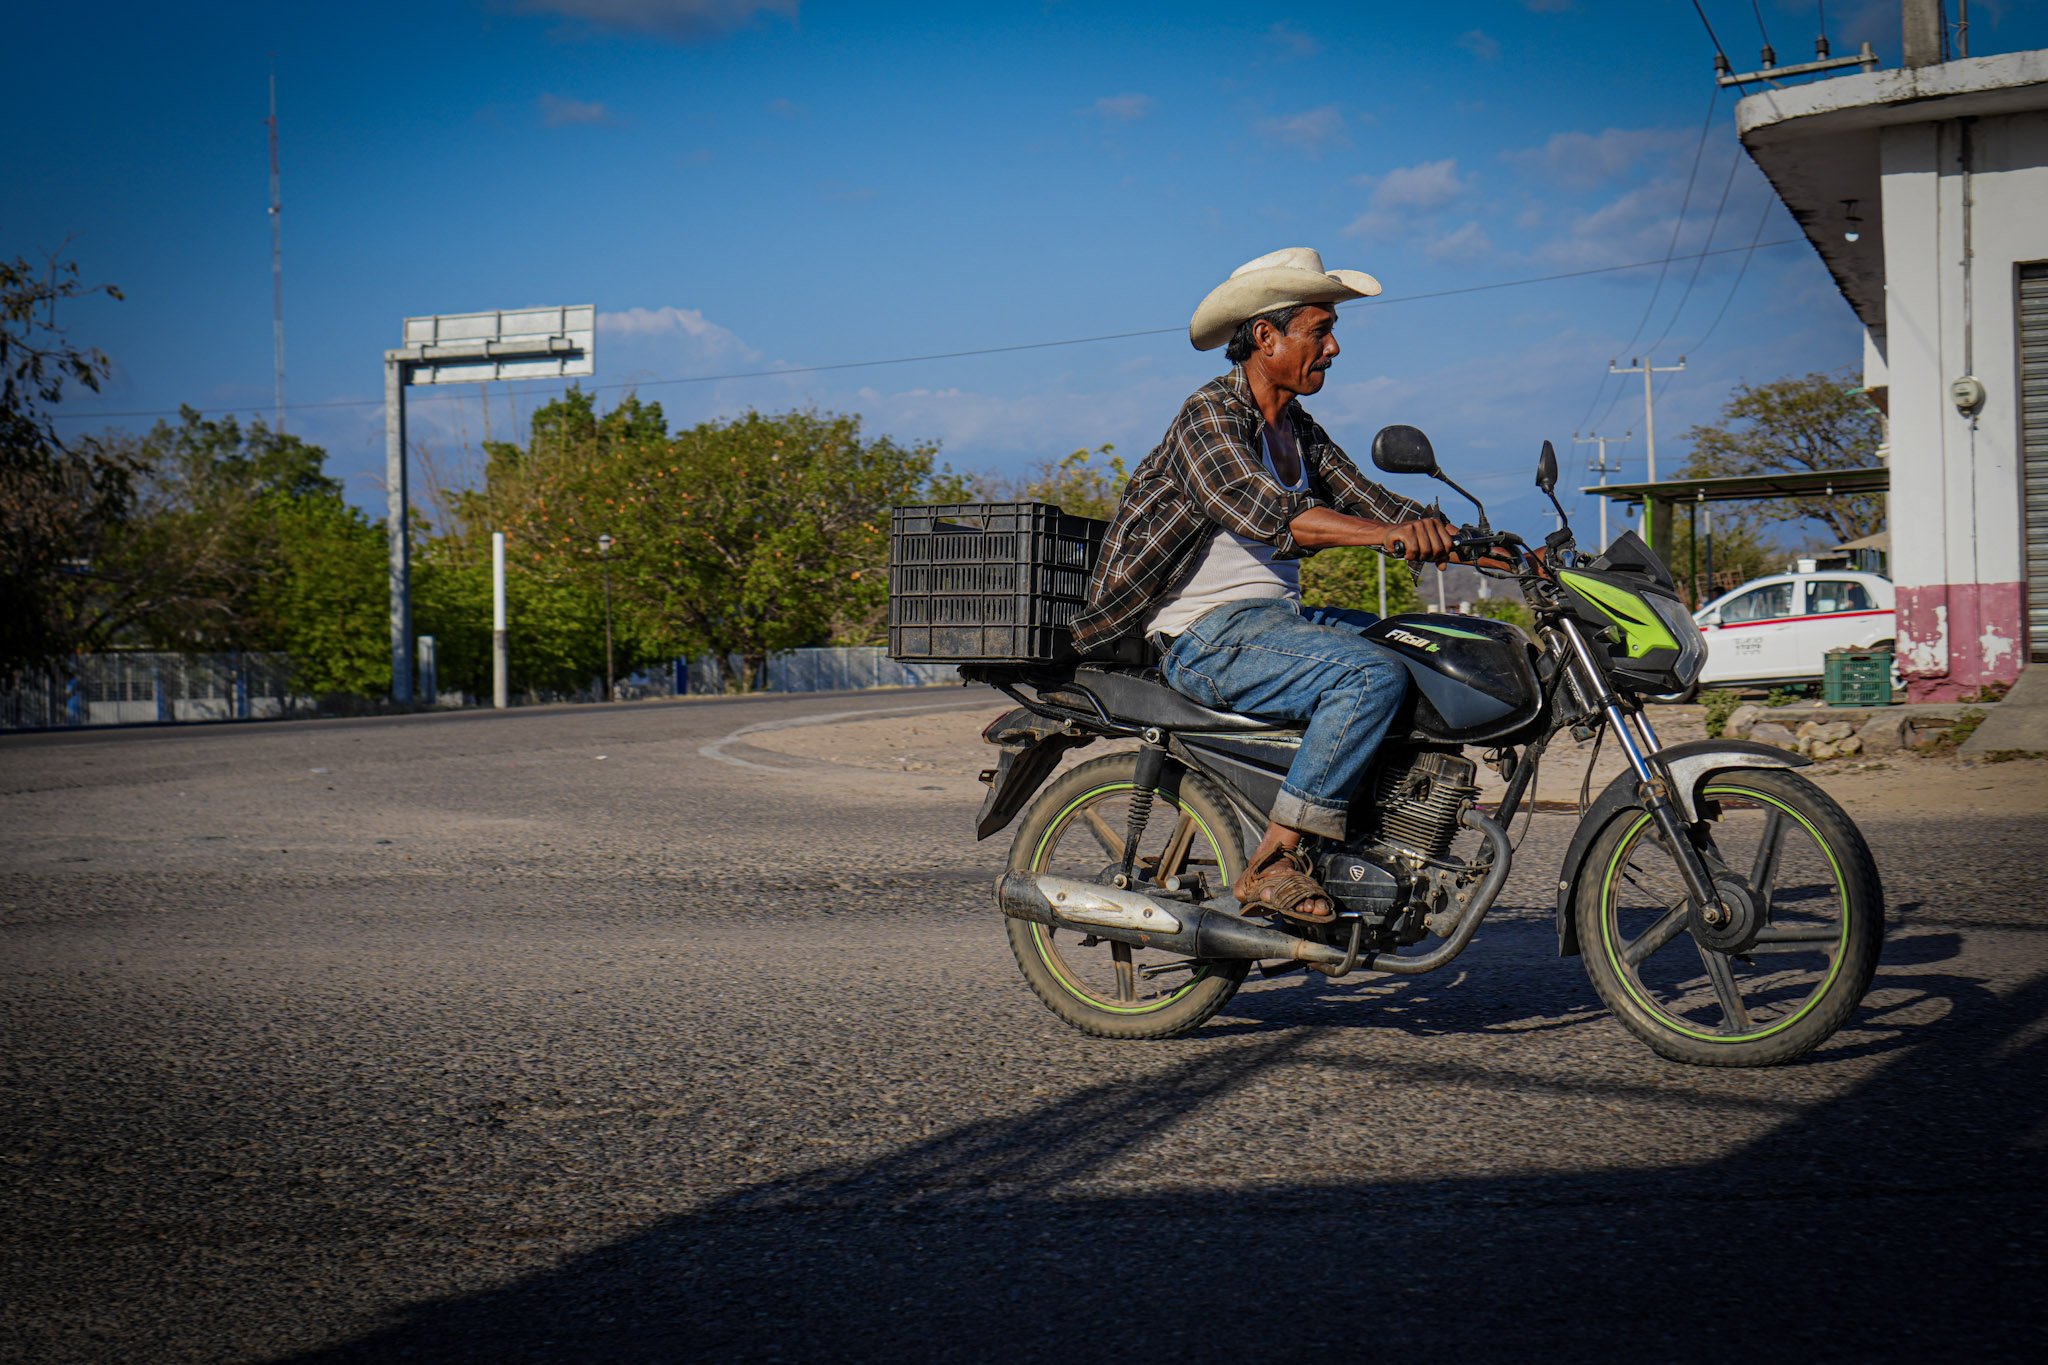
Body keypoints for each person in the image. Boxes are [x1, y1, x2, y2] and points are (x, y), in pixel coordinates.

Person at [1069, 247, 1463, 924]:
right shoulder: (1208, 417)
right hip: (1202, 636)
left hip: (1275, 626)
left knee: (1427, 651)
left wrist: (1487, 547)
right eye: (1320, 329)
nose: (1334, 346)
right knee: (1368, 678)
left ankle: (1377, 841)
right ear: (1265, 336)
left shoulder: (1297, 430)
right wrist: (1388, 538)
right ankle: (1275, 857)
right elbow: (1271, 516)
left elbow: (1371, 500)